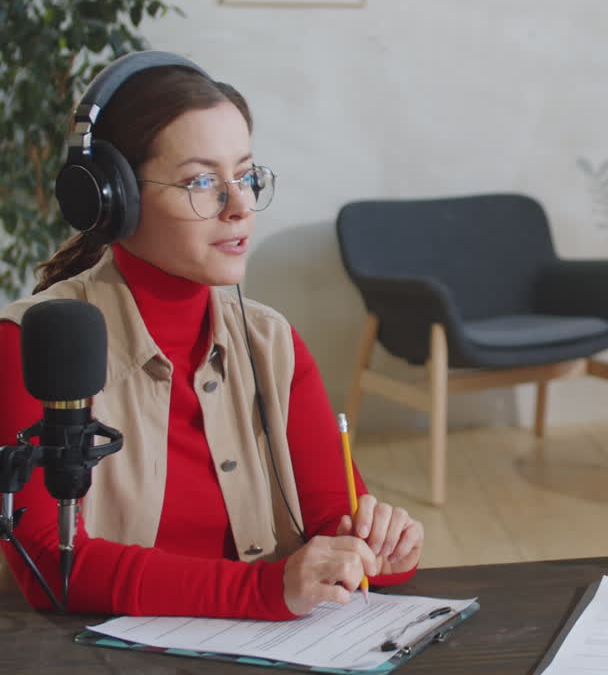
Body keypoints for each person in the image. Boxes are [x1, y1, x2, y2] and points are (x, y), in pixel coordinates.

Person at [0, 54, 424, 619]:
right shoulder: (29, 343)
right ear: (113, 201)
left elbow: (333, 525)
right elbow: (52, 563)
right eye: (201, 181)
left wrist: (382, 544)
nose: (241, 207)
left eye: (246, 176)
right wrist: (262, 592)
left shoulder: (273, 343)